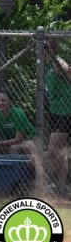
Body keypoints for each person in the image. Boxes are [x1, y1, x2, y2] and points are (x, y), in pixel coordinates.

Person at [0, 91, 37, 192]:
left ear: (9, 102)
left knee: (14, 148)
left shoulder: (17, 113)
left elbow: (19, 139)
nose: (0, 103)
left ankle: (15, 184)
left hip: (28, 141)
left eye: (3, 100)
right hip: (9, 143)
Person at [45, 39, 70, 198]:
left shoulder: (57, 60)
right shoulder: (43, 65)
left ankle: (45, 182)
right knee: (60, 152)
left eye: (45, 47)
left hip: (65, 111)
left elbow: (65, 68)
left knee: (52, 151)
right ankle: (61, 187)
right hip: (55, 111)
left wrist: (54, 57)